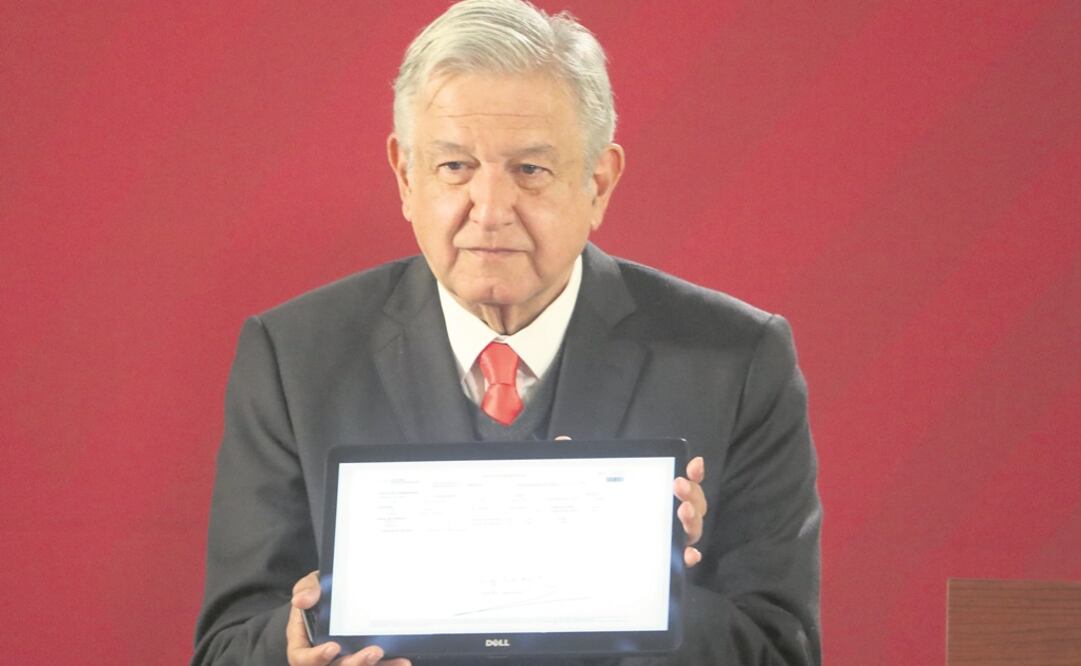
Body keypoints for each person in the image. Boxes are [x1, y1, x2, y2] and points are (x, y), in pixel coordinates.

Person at [192, 1, 821, 664]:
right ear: (406, 177)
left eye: (530, 170)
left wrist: (634, 582)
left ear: (598, 182)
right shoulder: (293, 358)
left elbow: (781, 650)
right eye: (454, 167)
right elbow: (229, 646)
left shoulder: (736, 360)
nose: (489, 211)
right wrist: (293, 648)